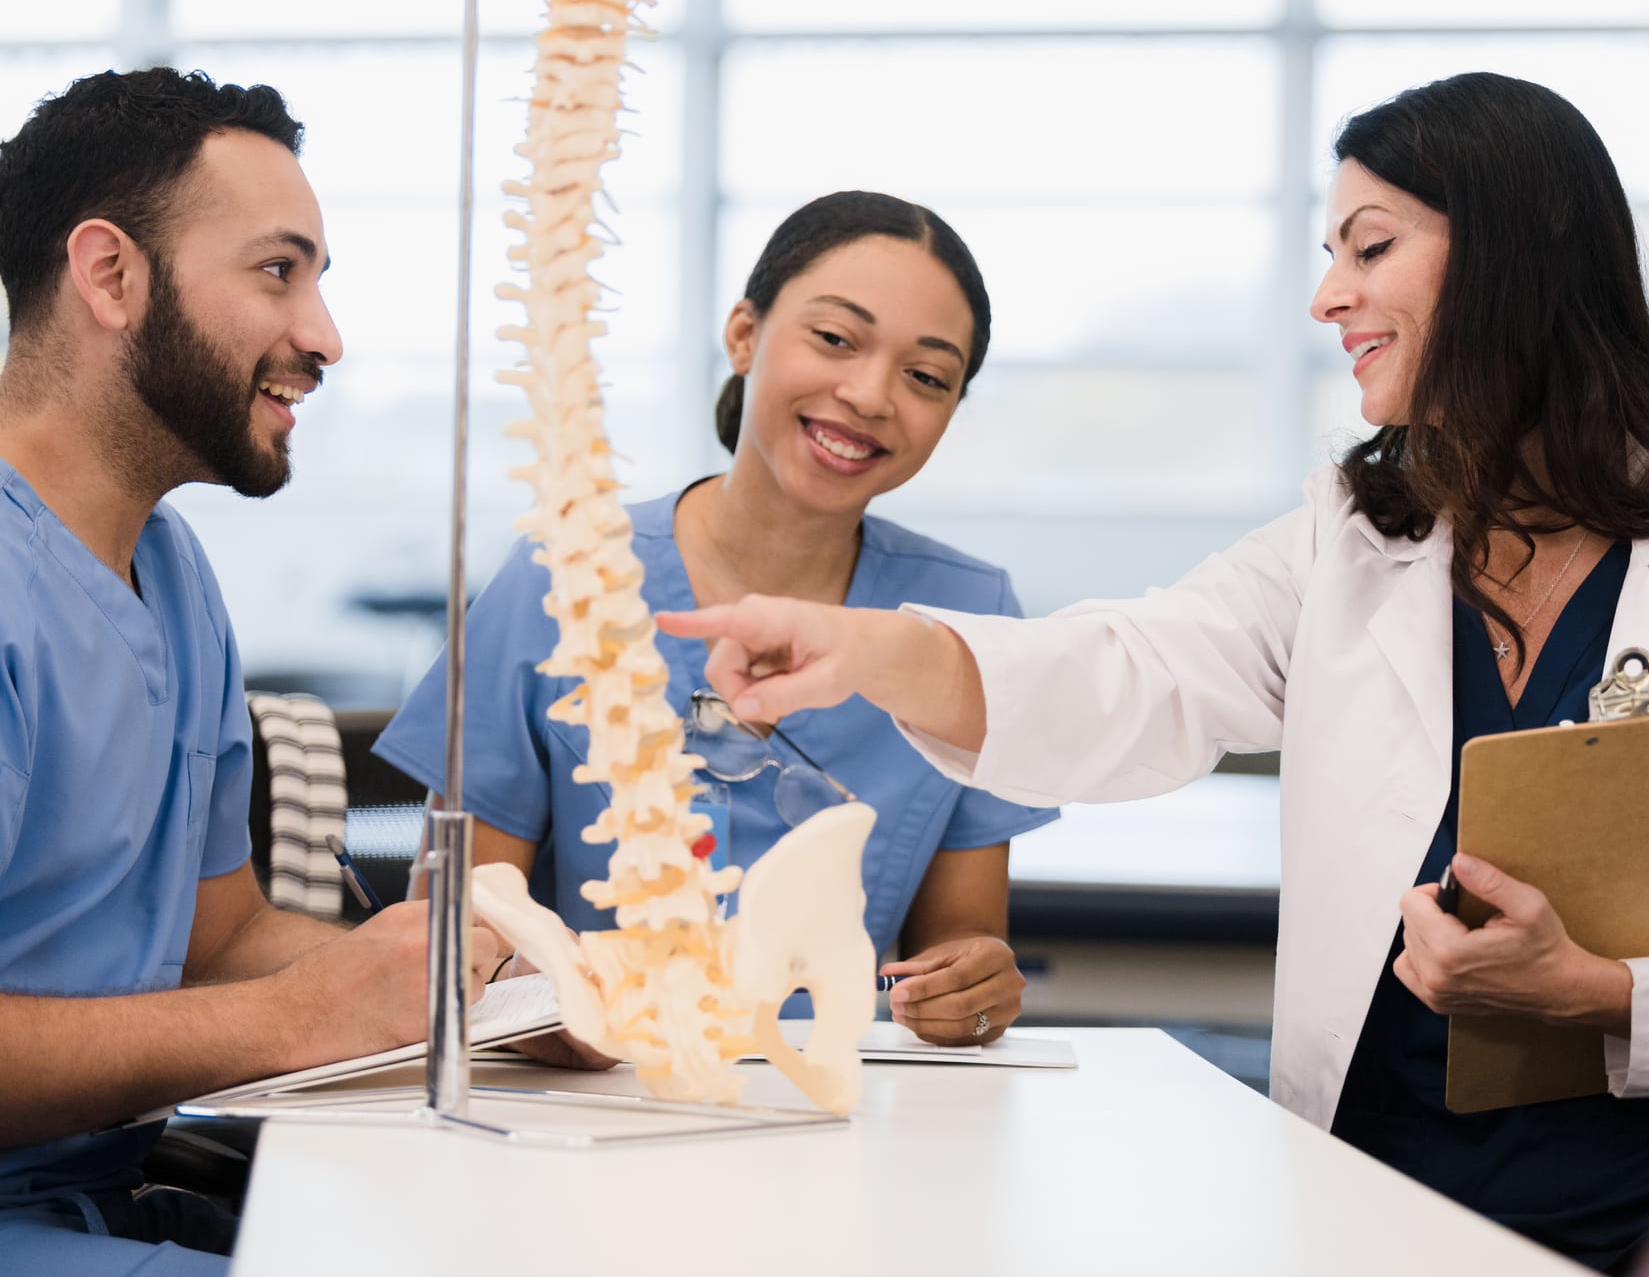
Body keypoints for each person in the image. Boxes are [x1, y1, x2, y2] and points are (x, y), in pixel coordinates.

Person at [657, 75, 1649, 1270]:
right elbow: (1140, 668)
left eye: (1372, 246)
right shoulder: (1359, 537)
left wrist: (1609, 991)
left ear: (1523, 250)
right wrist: (872, 648)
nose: (1328, 297)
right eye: (1329, 253)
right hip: (1371, 1213)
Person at [0, 69, 500, 1276]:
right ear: (110, 275)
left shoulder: (168, 573)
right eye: (279, 272)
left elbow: (218, 940)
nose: (322, 335)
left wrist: (465, 987)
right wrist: (294, 1019)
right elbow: (252, 1004)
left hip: (109, 1192)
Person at [375, 191, 1057, 1049]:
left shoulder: (970, 622)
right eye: (835, 339)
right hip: (579, 1098)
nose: (870, 393)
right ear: (744, 334)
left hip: (818, 1107)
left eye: (925, 376)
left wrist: (971, 989)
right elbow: (455, 932)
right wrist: (561, 1014)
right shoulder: (562, 578)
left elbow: (956, 943)